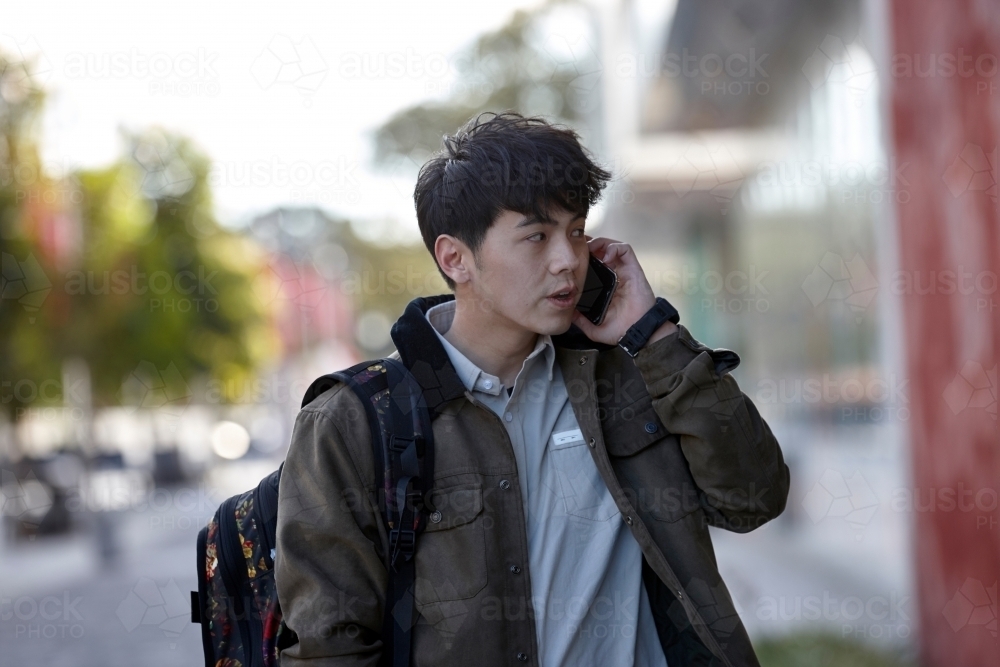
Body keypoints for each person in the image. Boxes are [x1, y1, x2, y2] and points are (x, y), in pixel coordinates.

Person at [275, 111, 790, 666]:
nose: (568, 260)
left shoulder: (629, 373)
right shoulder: (354, 422)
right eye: (537, 236)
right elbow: (328, 646)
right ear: (455, 258)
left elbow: (753, 499)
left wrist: (654, 334)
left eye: (576, 230)